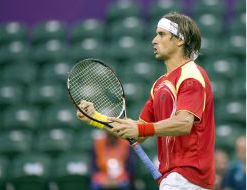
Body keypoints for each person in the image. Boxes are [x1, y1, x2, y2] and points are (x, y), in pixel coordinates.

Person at [76, 12, 215, 190]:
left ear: (180, 40)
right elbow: (137, 133)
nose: (154, 40)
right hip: (174, 179)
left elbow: (184, 123)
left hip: (188, 179)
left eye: (161, 34)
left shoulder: (191, 75)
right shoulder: (159, 85)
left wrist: (140, 128)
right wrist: (95, 118)